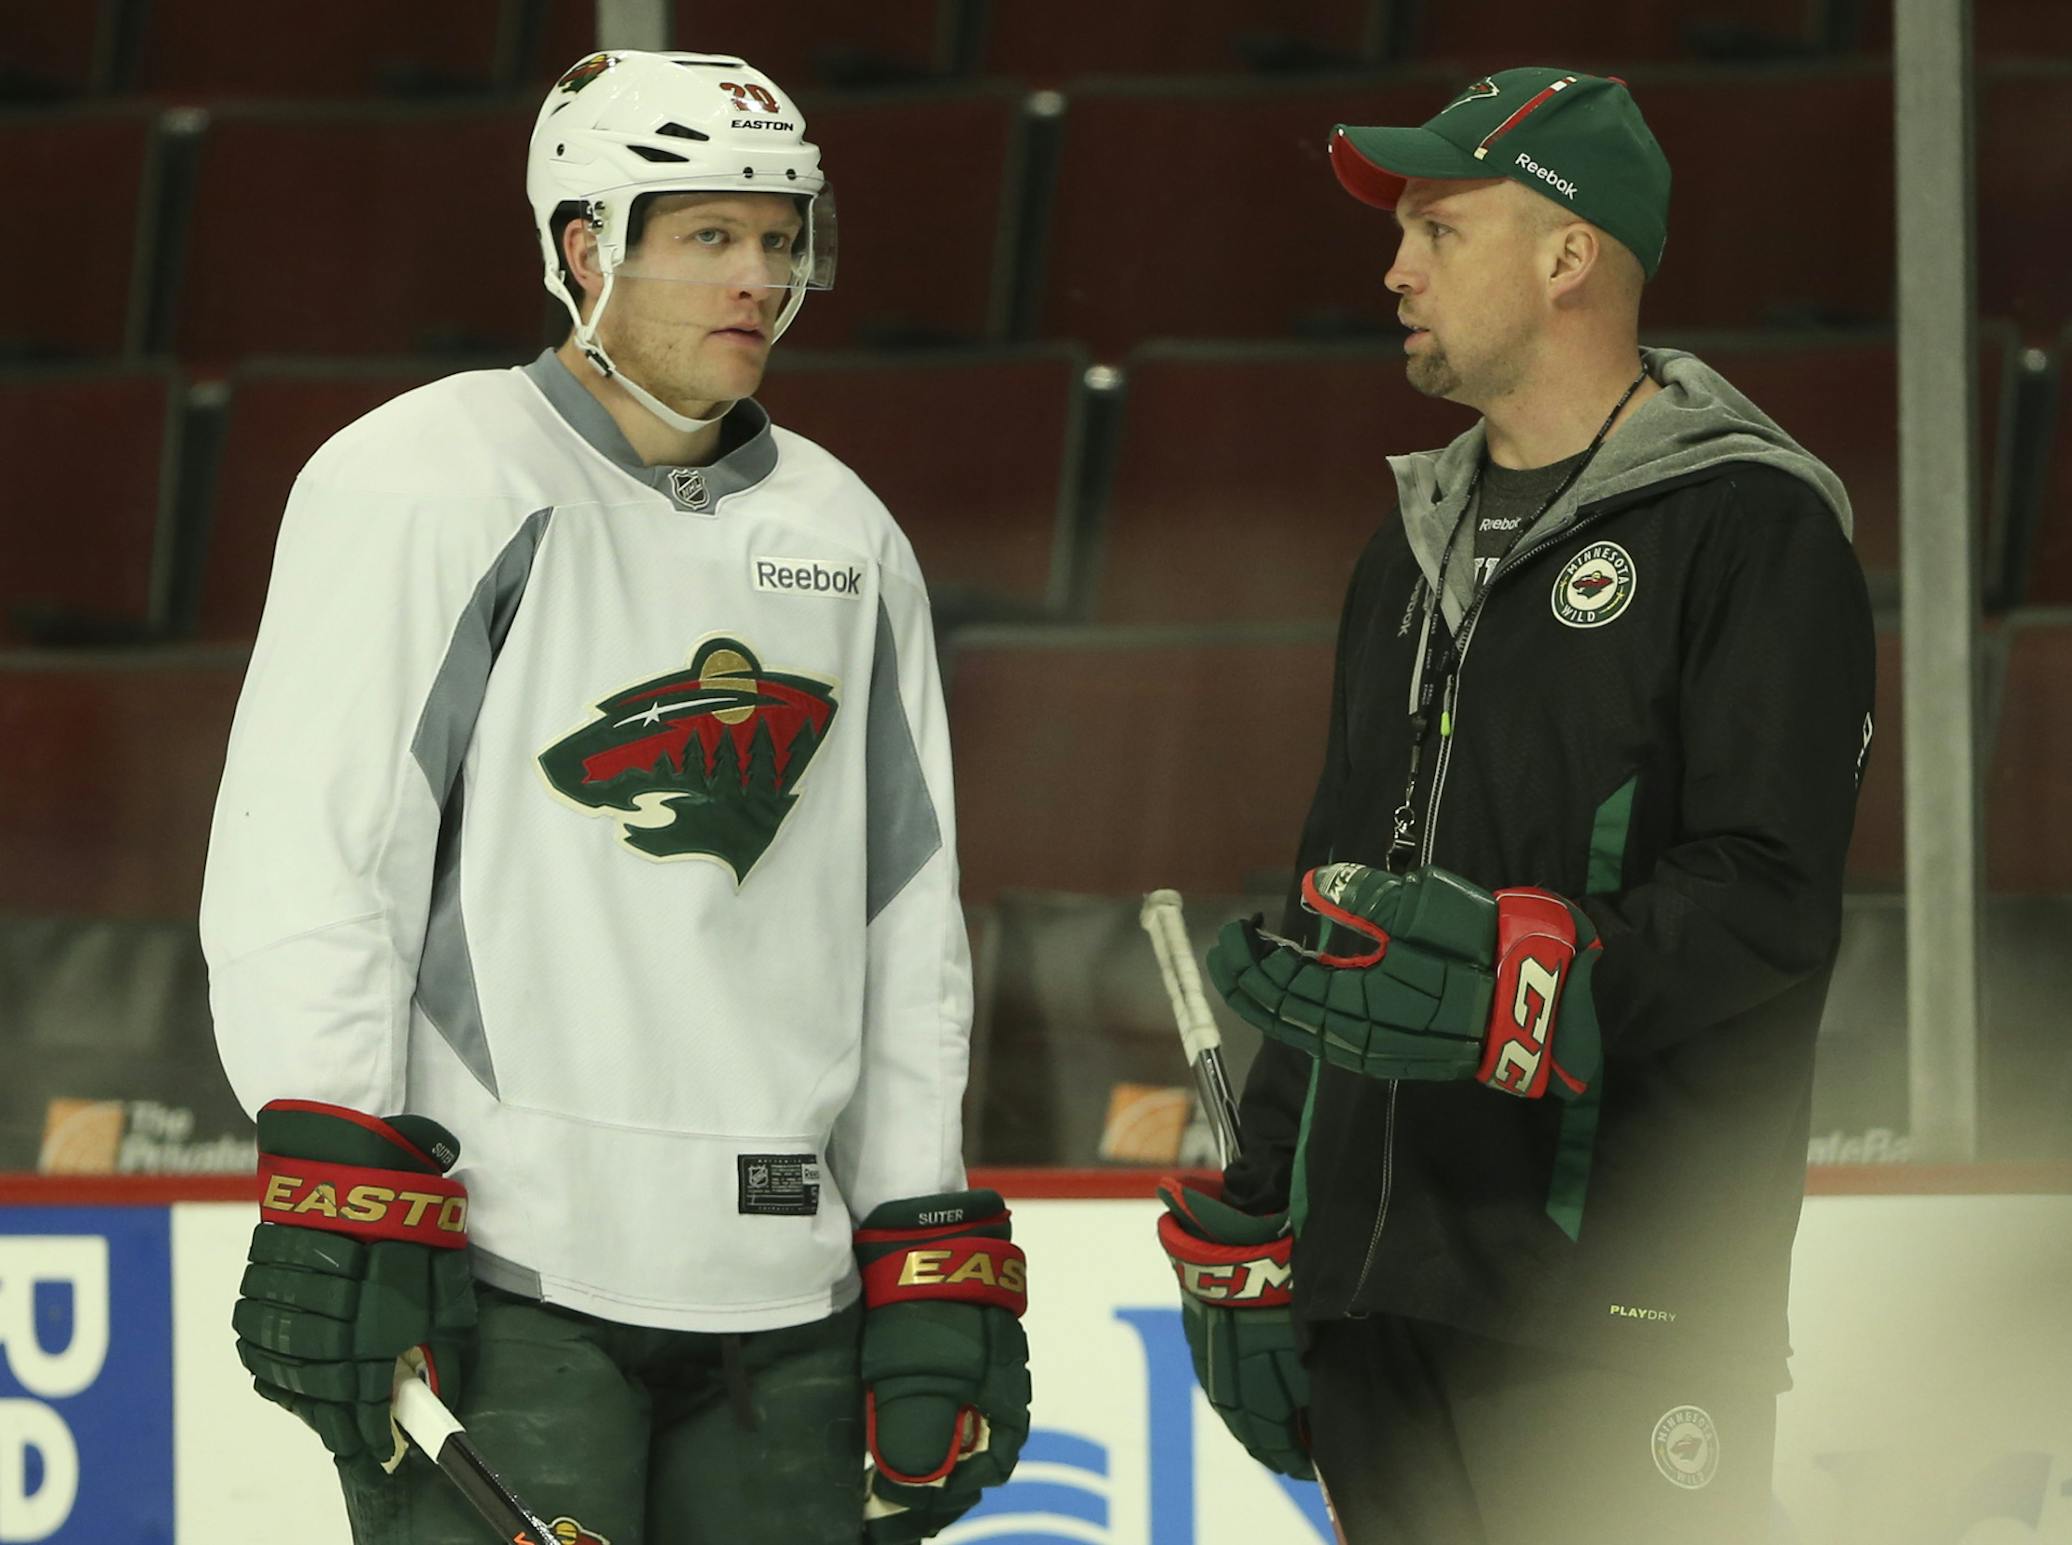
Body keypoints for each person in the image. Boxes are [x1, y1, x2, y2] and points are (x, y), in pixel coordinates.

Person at [202, 50, 1028, 1545]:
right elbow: (316, 850)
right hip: (507, 1276)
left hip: (787, 1295)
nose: (758, 278)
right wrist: (333, 1163)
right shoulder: (426, 476)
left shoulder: (845, 531)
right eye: (710, 235)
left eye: (778, 239)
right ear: (586, 246)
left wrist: (918, 1223)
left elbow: (906, 917)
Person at [1155, 67, 1874, 1544]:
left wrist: (1527, 990)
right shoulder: (1407, 539)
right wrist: (1266, 1211)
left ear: (1568, 255)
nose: (1395, 268)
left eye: (1439, 229)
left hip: (1622, 1311)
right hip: (1379, 1297)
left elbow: (1769, 897)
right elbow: (1334, 910)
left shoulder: (1755, 524)